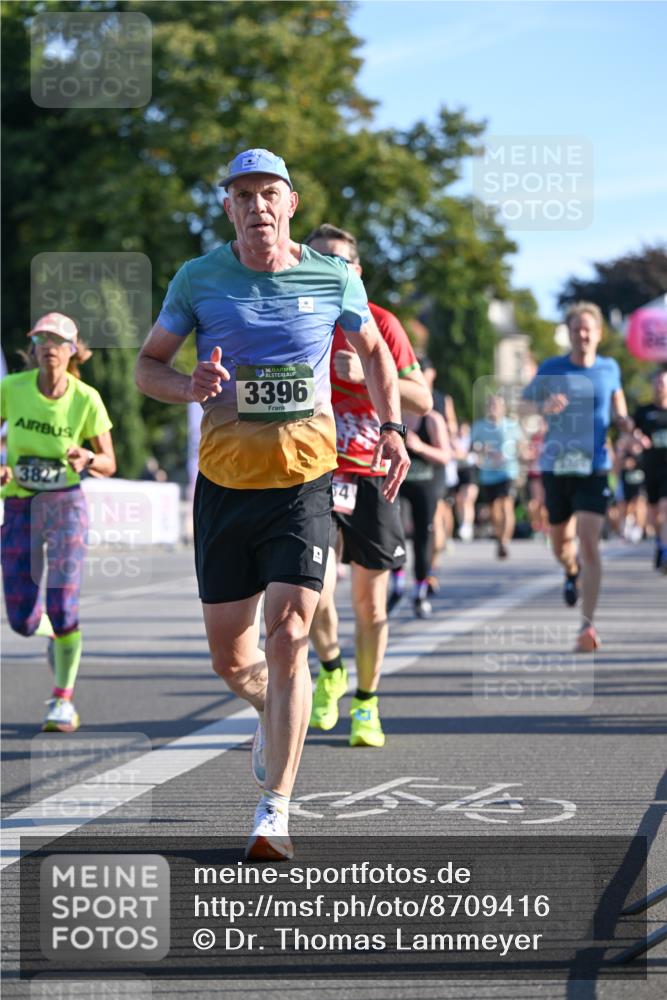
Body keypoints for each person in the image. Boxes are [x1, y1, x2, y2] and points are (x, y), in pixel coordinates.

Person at [134, 151, 410, 860]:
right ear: (228, 207)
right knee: (233, 659)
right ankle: (267, 708)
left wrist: (390, 427)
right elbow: (147, 367)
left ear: (290, 204)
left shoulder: (334, 275)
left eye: (269, 193)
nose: (257, 205)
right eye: (243, 194)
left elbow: (375, 353)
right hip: (225, 486)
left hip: (304, 482)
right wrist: (189, 384)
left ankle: (274, 811)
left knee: (289, 633)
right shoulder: (198, 278)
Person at [302, 224, 431, 747]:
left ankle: (367, 704)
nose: (331, 268)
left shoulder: (381, 323)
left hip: (374, 473)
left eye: (341, 261)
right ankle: (331, 667)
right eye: (320, 259)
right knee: (314, 591)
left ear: (356, 271)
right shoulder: (301, 319)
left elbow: (420, 399)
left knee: (371, 607)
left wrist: (363, 376)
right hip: (316, 470)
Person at [0, 312, 116, 732]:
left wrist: (88, 459)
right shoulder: (11, 389)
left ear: (73, 351)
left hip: (66, 504)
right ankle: (50, 631)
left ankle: (62, 699)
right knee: (21, 619)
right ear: (32, 350)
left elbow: (108, 461)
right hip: (19, 505)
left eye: (58, 340)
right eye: (41, 339)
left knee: (64, 602)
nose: (49, 345)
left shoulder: (87, 399)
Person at [522, 302, 634, 651]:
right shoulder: (551, 368)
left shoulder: (609, 368)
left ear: (599, 333)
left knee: (589, 543)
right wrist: (543, 407)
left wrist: (627, 427)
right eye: (576, 330)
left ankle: (587, 626)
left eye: (588, 329)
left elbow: (619, 411)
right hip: (556, 466)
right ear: (569, 333)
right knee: (561, 545)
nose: (582, 335)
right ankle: (570, 571)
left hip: (595, 466)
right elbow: (523, 406)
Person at [389, 375, 451, 619]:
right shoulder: (394, 417)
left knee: (424, 536)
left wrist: (420, 447)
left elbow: (446, 456)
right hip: (400, 482)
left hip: (427, 483)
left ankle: (420, 591)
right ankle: (397, 585)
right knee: (395, 530)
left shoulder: (432, 420)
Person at [471, 393, 522, 559]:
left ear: (503, 408)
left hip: (508, 471)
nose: (494, 408)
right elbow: (472, 446)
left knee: (507, 504)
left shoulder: (512, 425)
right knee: (494, 510)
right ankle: (499, 538)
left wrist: (509, 453)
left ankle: (504, 541)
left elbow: (521, 447)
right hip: (488, 473)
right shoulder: (479, 426)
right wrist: (481, 449)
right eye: (491, 405)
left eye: (497, 405)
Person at [634, 369, 667, 571]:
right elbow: (630, 432)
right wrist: (636, 438)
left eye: (664, 383)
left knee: (665, 507)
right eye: (657, 383)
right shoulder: (643, 411)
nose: (660, 386)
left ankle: (665, 550)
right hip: (651, 468)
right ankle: (658, 542)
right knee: (654, 513)